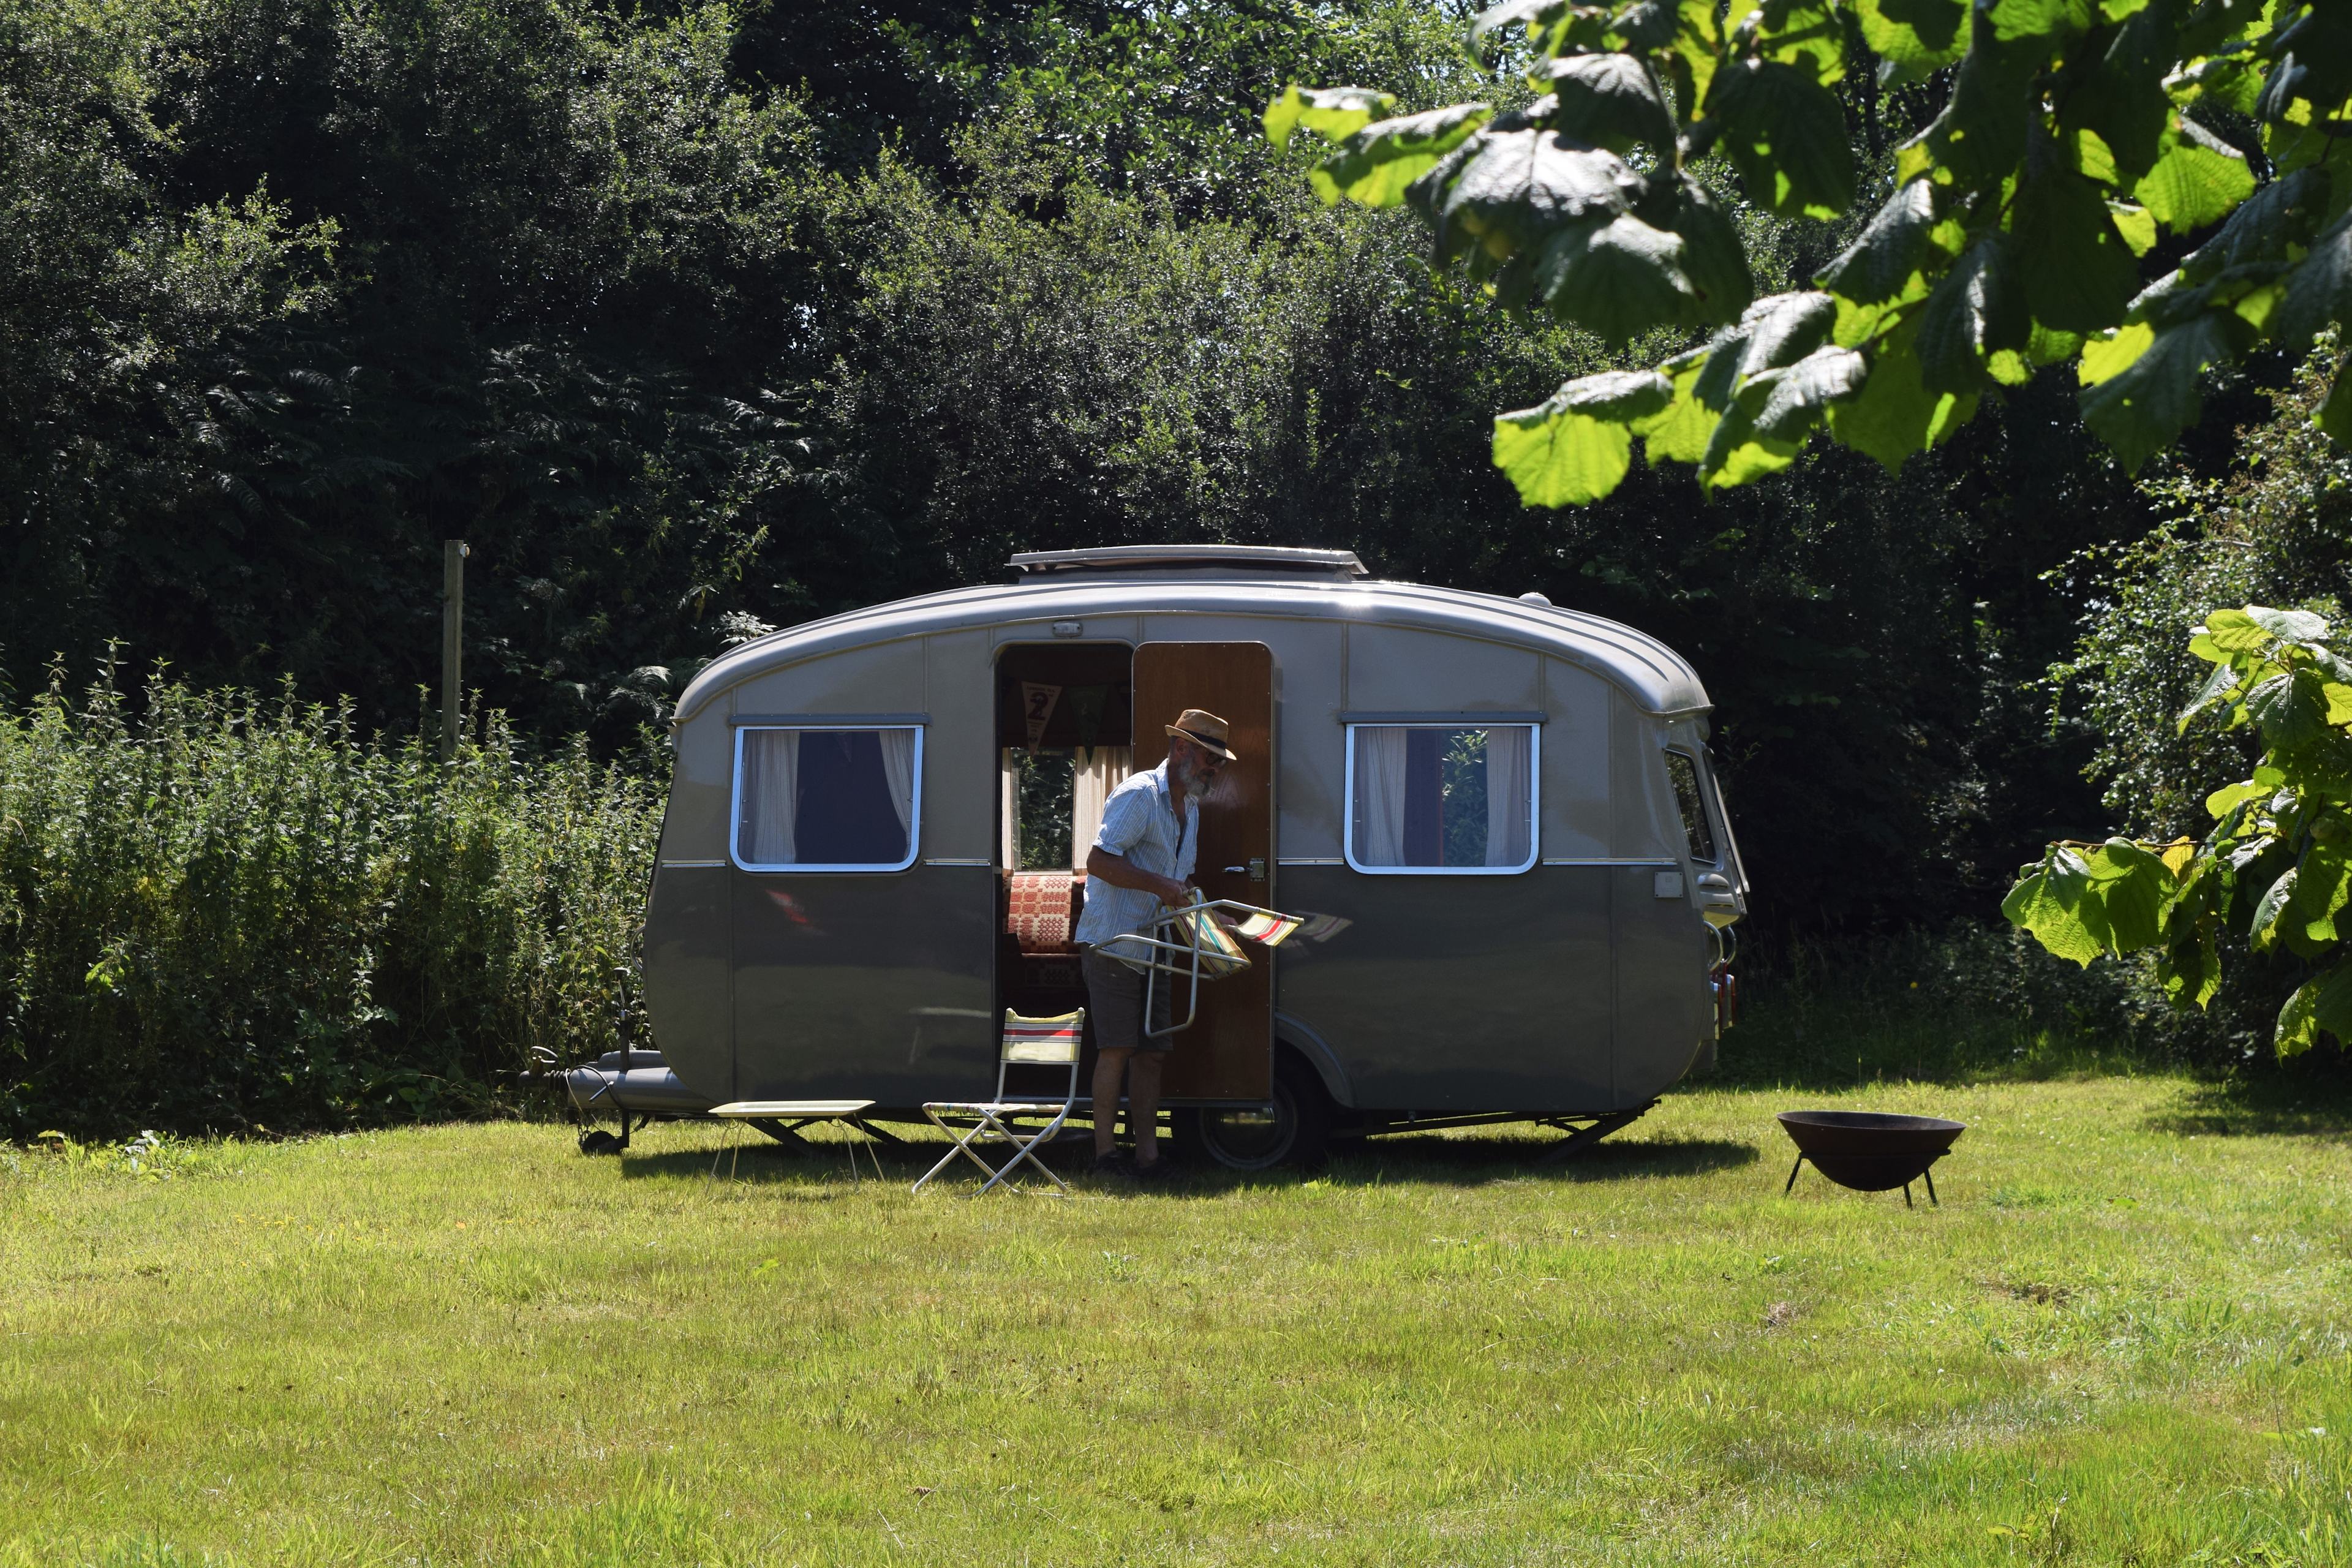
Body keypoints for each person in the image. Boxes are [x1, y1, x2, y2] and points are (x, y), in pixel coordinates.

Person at [1073, 707, 1234, 1179]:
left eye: (1220, 763)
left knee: (1153, 1054)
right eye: (1210, 759)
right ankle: (1106, 1158)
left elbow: (1180, 882)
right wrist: (1159, 886)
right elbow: (1099, 862)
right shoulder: (1139, 794)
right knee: (1117, 1048)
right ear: (1181, 748)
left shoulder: (1192, 809)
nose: (1215, 770)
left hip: (1157, 943)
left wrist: (1211, 916)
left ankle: (1149, 1159)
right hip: (1115, 941)